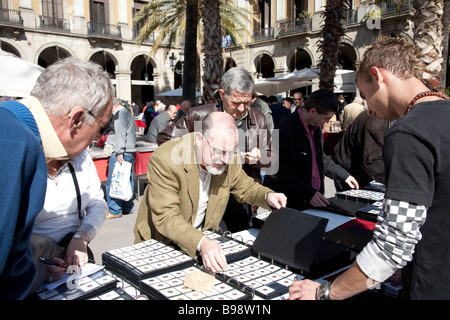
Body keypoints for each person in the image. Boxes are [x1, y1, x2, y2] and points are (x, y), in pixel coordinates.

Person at [289, 35, 450, 300]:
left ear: (378, 76)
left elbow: (393, 244)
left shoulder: (408, 133)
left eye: (364, 95)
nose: (368, 107)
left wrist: (324, 292)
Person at [0, 57, 114, 299]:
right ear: (76, 119)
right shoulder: (16, 146)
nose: (97, 139)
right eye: (102, 128)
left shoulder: (11, 127)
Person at [134, 112, 286, 272]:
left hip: (201, 241)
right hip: (162, 244)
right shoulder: (166, 159)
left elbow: (245, 187)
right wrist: (202, 242)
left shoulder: (228, 155)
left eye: (231, 151)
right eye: (219, 151)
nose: (226, 160)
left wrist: (268, 196)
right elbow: (166, 217)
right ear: (199, 139)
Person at [156, 67, 274, 232]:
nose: (241, 109)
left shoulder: (259, 119)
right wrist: (202, 157)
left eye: (247, 103)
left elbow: (272, 158)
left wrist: (259, 157)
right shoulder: (198, 115)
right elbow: (165, 140)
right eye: (235, 103)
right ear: (221, 94)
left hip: (241, 197)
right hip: (204, 194)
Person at [264, 88, 359, 211]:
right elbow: (276, 172)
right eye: (326, 118)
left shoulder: (316, 128)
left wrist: (343, 175)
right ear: (313, 111)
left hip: (314, 199)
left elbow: (320, 157)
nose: (326, 123)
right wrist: (308, 193)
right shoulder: (284, 129)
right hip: (292, 204)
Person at [333, 111, 388, 191]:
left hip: (356, 172)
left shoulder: (375, 117)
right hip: (353, 175)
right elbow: (371, 161)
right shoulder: (374, 120)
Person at [105, 98, 136, 219]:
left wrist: (119, 152)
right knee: (127, 181)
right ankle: (127, 208)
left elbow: (120, 134)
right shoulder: (126, 113)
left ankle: (115, 209)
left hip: (122, 152)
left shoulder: (120, 115)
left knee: (115, 182)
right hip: (129, 152)